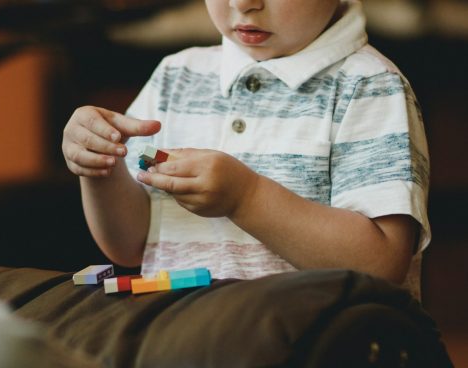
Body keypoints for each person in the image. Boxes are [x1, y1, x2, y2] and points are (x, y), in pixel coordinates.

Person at [62, 0, 430, 298]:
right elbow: (130, 244)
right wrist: (100, 167)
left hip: (317, 347)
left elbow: (382, 265)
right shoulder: (177, 75)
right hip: (179, 341)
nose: (243, 4)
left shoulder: (369, 86)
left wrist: (247, 198)